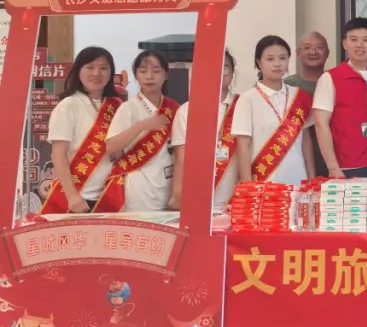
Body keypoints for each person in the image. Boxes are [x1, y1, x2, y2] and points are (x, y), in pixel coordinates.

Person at [40, 47, 124, 214]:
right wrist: (72, 196)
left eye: (103, 68)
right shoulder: (68, 106)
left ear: (111, 72)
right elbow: (58, 154)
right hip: (79, 198)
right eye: (90, 67)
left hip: (111, 195)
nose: (96, 73)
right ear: (78, 70)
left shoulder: (117, 106)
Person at [233, 36, 316, 186]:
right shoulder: (248, 99)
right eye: (270, 59)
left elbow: (306, 140)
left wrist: (311, 178)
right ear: (259, 62)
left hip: (298, 179)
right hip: (265, 183)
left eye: (283, 58)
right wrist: (248, 184)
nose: (277, 64)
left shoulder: (299, 96)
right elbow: (243, 145)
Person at [104, 50, 178, 212]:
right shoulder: (128, 108)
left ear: (165, 75)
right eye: (143, 71)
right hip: (139, 189)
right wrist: (142, 126)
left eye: (156, 71)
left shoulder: (174, 108)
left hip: (170, 186)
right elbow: (111, 146)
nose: (149, 76)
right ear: (136, 76)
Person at [313, 18, 367, 179]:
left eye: (366, 40)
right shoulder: (330, 78)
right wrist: (333, 167)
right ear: (344, 43)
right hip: (346, 167)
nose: (360, 45)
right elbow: (321, 123)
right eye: (353, 40)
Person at [170, 49, 238, 210]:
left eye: (225, 67)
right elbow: (181, 158)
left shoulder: (243, 105)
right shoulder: (187, 111)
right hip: (199, 196)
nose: (220, 72)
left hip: (236, 196)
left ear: (232, 72)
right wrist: (178, 195)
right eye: (214, 67)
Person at [286, 31, 330, 177]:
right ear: (298, 52)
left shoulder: (336, 81)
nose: (313, 52)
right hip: (295, 162)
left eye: (319, 47)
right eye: (307, 47)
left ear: (327, 53)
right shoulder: (286, 86)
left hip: (333, 161)